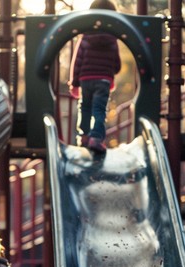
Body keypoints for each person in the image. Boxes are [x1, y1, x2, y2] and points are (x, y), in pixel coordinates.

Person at [68, 0, 121, 153]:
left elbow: (77, 61)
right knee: (99, 109)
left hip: (85, 79)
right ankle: (96, 138)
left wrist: (74, 83)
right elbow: (116, 65)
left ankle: (83, 137)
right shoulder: (113, 39)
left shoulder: (85, 37)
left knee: (84, 107)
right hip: (103, 80)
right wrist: (110, 73)